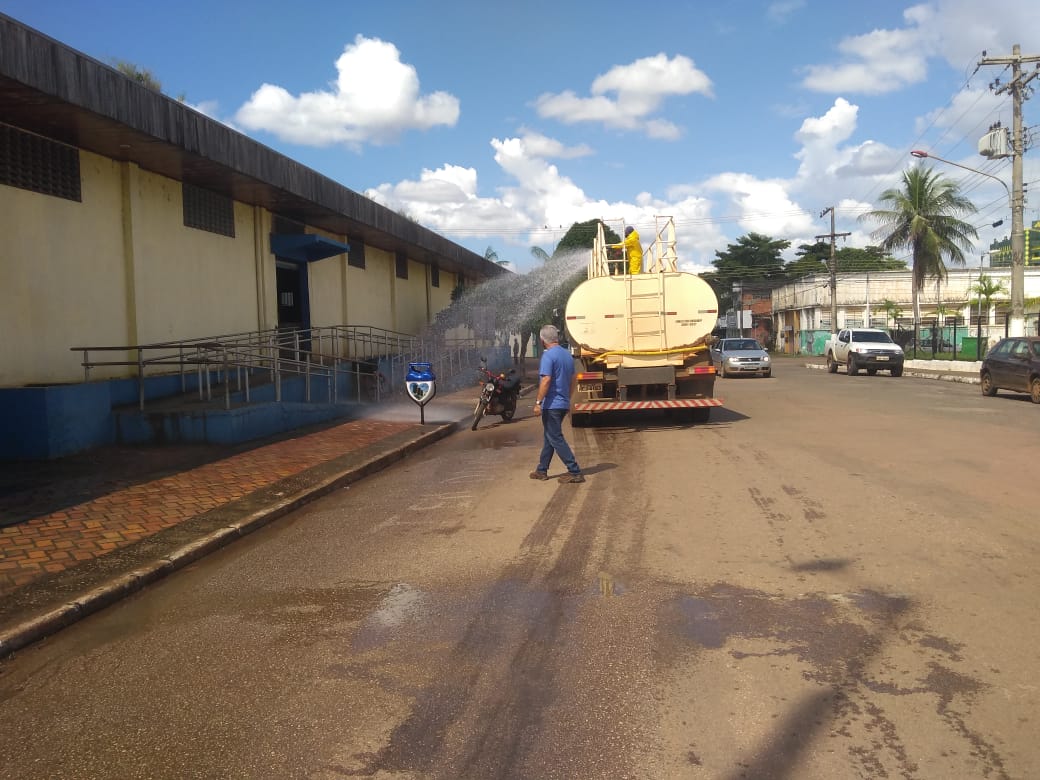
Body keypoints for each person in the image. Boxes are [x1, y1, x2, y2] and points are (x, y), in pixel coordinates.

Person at [530, 324, 584, 483]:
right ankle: (542, 470)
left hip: (551, 405)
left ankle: (574, 471)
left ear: (542, 340)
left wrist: (538, 402)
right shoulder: (566, 355)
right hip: (562, 403)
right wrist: (567, 397)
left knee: (555, 437)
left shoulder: (548, 356)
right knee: (550, 437)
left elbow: (546, 380)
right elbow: (574, 378)